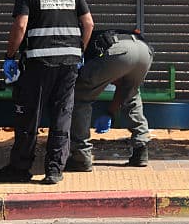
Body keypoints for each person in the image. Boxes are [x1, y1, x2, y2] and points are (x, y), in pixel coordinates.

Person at [0, 0, 94, 185]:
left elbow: (20, 25)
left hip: (38, 63)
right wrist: (80, 51)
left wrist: (9, 55)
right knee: (62, 115)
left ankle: (20, 169)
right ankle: (55, 170)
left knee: (29, 116)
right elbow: (88, 23)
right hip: (69, 63)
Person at [66, 28, 154, 171]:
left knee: (80, 96)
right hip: (144, 50)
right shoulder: (100, 36)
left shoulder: (83, 43)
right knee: (130, 92)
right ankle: (140, 150)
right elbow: (120, 86)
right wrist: (110, 113)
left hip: (117, 49)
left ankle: (81, 157)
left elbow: (94, 78)